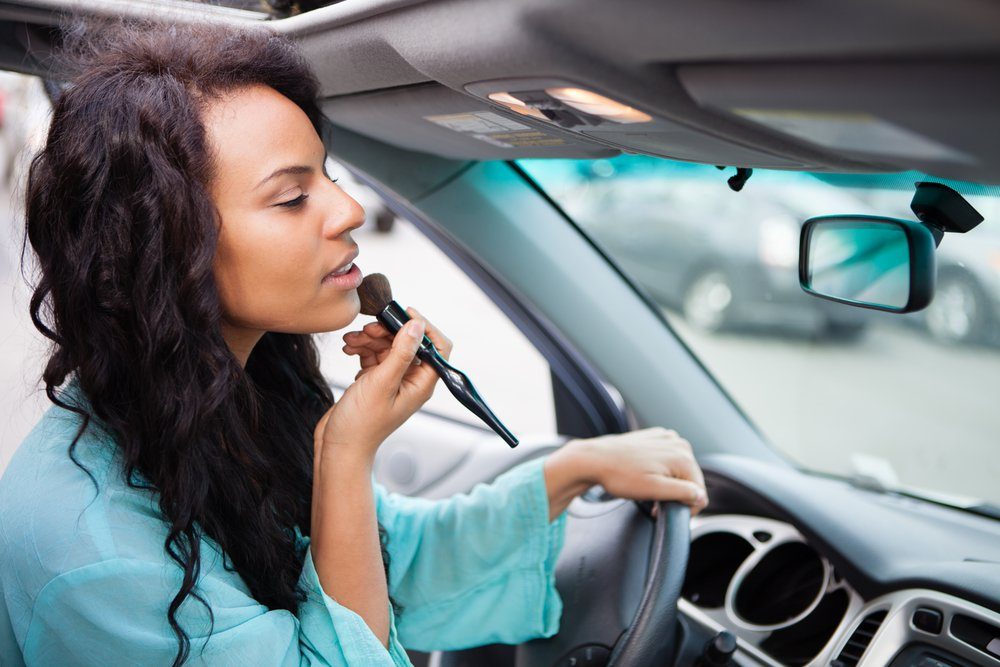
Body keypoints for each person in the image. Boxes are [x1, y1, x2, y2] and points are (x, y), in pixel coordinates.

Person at [0, 19, 708, 667]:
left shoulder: (232, 400)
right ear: (161, 250)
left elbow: (399, 564)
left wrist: (572, 468)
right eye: (291, 195)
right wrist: (345, 454)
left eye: (329, 176)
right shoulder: (89, 549)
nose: (350, 209)